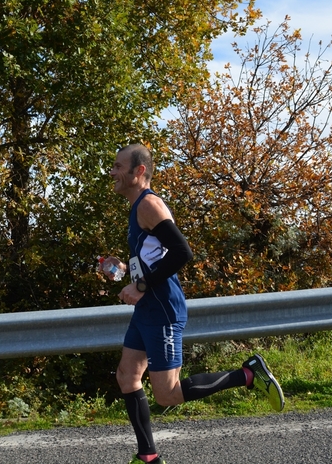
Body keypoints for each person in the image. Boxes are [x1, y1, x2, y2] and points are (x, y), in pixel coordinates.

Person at [100, 144, 284, 464]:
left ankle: (248, 375)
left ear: (138, 171)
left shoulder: (149, 205)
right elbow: (154, 256)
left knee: (166, 394)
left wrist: (141, 286)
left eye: (118, 167)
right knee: (127, 375)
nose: (112, 172)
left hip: (162, 309)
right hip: (148, 308)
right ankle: (148, 457)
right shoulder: (137, 209)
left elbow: (182, 252)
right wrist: (126, 268)